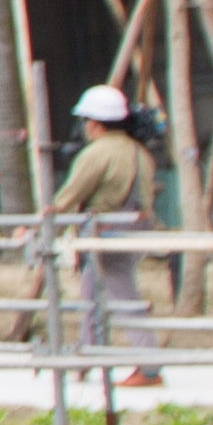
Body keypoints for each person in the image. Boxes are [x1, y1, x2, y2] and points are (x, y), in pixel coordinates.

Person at [46, 84, 163, 383]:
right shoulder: (139, 152)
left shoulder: (97, 153)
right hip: (133, 227)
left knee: (122, 295)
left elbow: (69, 197)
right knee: (91, 293)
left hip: (107, 231)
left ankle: (149, 366)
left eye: (85, 121)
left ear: (94, 123)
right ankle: (86, 357)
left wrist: (44, 223)